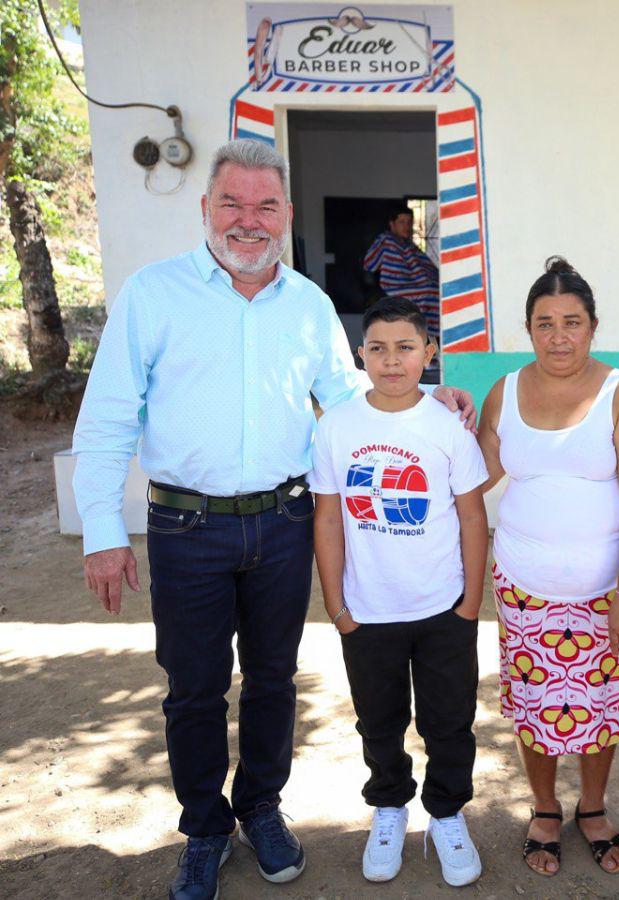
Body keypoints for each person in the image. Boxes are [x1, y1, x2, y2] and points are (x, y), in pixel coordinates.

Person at [71, 139, 473, 900]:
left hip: (285, 523)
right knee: (193, 687)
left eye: (264, 206)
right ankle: (204, 828)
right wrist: (102, 531)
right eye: (232, 203)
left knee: (271, 680)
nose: (247, 221)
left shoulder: (308, 305)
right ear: (205, 209)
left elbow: (350, 394)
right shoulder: (153, 295)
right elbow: (108, 418)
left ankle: (260, 809)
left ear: (286, 215)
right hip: (186, 530)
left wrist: (428, 400)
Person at [475, 257, 619, 877]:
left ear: (593, 326)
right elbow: (476, 474)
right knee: (535, 704)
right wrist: (433, 413)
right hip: (523, 590)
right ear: (528, 330)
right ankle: (545, 807)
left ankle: (594, 807)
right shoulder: (505, 390)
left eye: (572, 322)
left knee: (601, 706)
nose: (560, 336)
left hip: (602, 592)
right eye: (545, 323)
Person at [310, 297, 488, 887]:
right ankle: (389, 807)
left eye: (405, 347)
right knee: (378, 721)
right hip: (368, 611)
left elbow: (470, 517)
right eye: (378, 348)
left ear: (429, 353)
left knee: (449, 721)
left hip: (442, 609)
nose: (392, 361)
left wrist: (469, 604)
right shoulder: (337, 424)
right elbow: (330, 518)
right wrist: (337, 606)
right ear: (361, 355)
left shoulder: (447, 425)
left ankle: (445, 811)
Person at [363, 206, 441, 349]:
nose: (406, 226)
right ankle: (422, 336)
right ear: (392, 224)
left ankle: (432, 338)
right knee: (428, 292)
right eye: (402, 222)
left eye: (409, 222)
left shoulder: (410, 245)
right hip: (395, 287)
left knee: (436, 290)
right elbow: (369, 264)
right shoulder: (385, 240)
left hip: (417, 286)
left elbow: (426, 267)